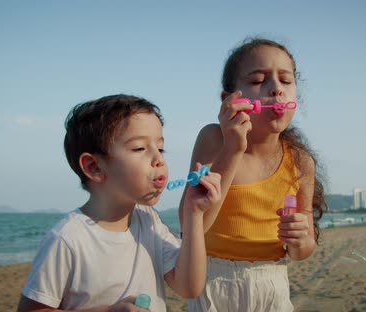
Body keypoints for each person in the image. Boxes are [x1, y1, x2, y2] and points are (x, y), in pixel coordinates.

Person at [17, 94, 222, 312]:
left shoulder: (148, 221)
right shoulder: (68, 239)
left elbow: (188, 287)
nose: (159, 159)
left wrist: (194, 214)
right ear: (94, 167)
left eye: (160, 148)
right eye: (139, 148)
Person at [179, 37, 326, 312]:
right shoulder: (214, 139)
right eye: (259, 81)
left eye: (286, 81)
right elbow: (191, 226)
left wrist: (302, 241)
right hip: (212, 283)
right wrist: (233, 148)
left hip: (272, 286)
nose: (276, 90)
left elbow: (301, 251)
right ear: (229, 100)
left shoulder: (301, 162)